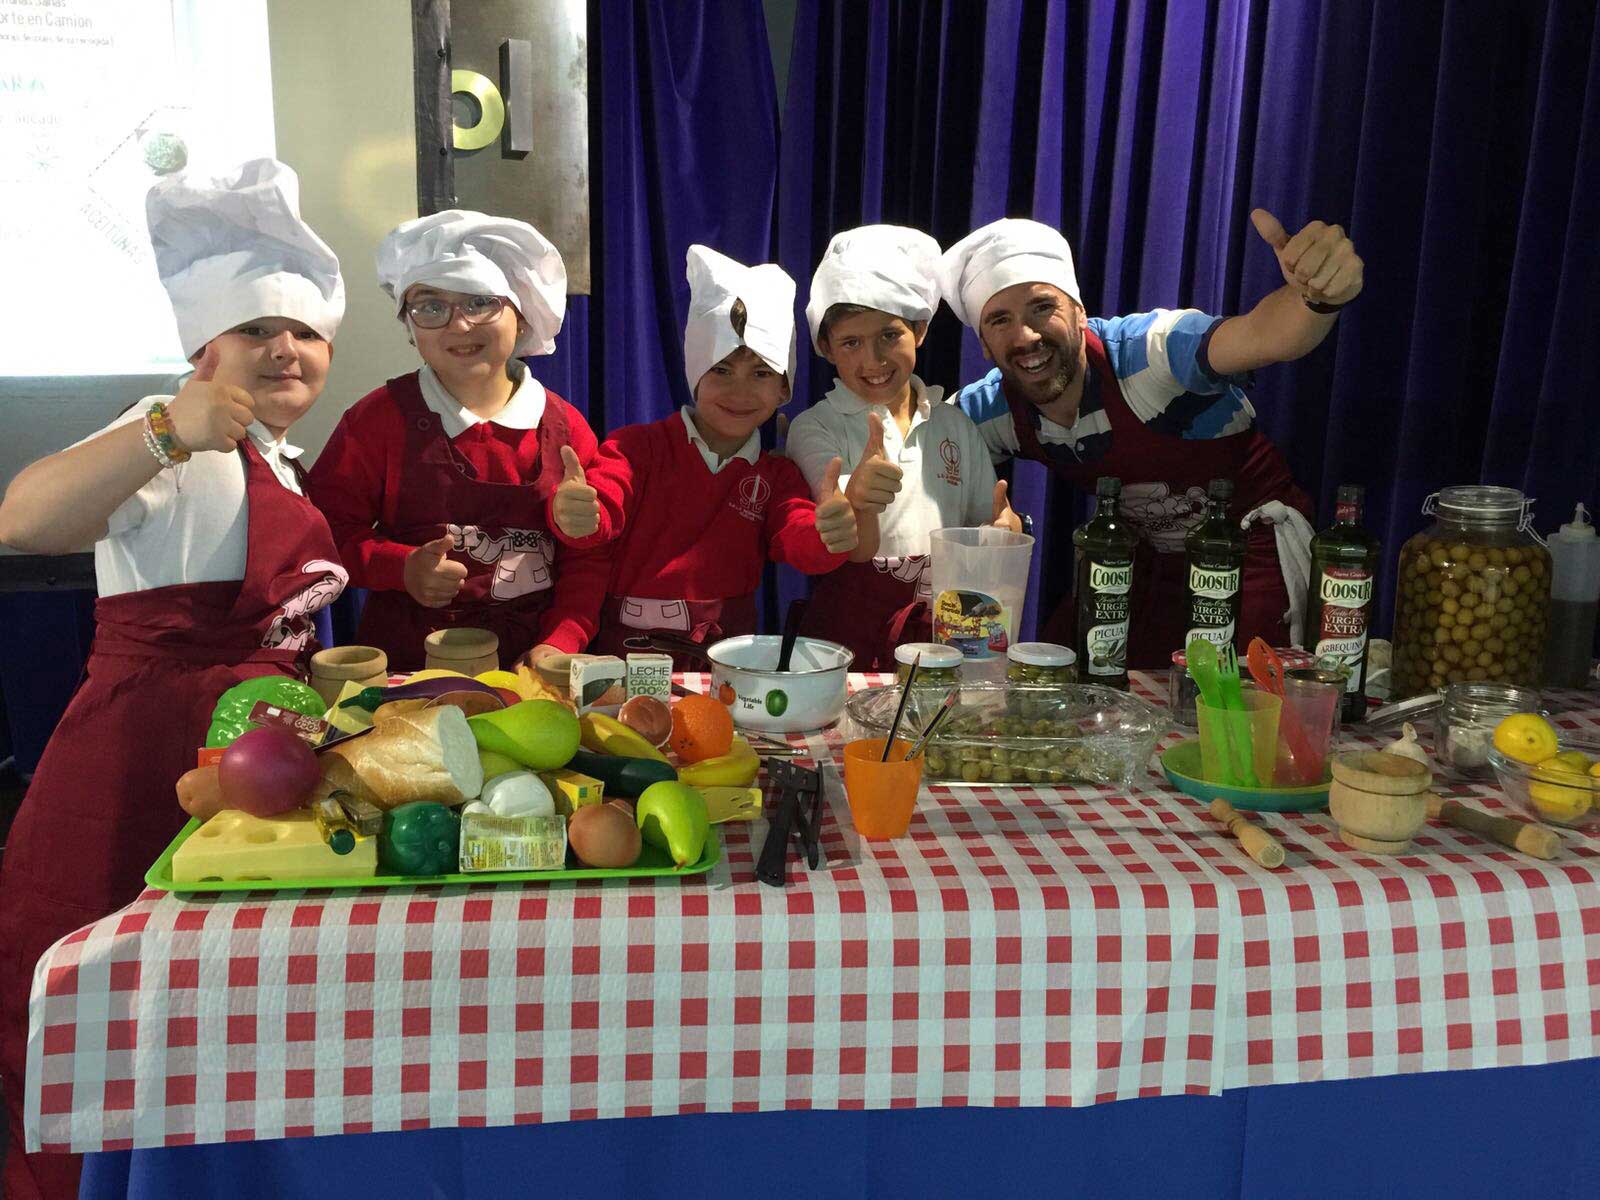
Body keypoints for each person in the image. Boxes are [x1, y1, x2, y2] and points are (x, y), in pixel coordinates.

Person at [0, 159, 348, 1200]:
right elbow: (22, 517)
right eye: (255, 332)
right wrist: (163, 430)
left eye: (303, 332)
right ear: (205, 351)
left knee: (198, 1000)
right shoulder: (178, 432)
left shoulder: (278, 456)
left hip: (243, 761)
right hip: (142, 757)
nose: (283, 349)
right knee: (92, 978)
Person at [941, 213, 1363, 667]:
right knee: (1064, 674)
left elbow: (1265, 334)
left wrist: (1316, 298)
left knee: (1235, 701)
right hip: (1138, 566)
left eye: (1043, 307)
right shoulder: (988, 411)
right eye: (1000, 321)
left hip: (1247, 557)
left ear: (1080, 313)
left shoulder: (1153, 352)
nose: (1026, 336)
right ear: (984, 345)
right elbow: (917, 450)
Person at [307, 211, 604, 672]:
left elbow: (589, 559)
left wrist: (562, 640)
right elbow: (323, 535)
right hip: (409, 672)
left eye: (480, 302)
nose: (459, 325)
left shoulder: (565, 429)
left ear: (522, 315)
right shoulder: (376, 421)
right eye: (430, 307)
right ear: (410, 328)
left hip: (533, 668)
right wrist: (399, 567)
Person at [554, 246, 858, 667]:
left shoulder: (778, 475)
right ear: (694, 373)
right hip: (625, 661)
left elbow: (800, 538)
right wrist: (581, 515)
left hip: (728, 667)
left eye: (761, 374)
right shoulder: (636, 448)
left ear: (784, 389)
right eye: (721, 370)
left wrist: (830, 535)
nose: (740, 391)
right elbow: (602, 510)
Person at [785, 225, 1020, 670]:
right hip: (846, 639)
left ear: (920, 330)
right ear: (826, 347)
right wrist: (858, 501)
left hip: (942, 635)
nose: (872, 360)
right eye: (851, 342)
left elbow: (978, 529)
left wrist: (997, 533)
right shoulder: (815, 428)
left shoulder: (955, 425)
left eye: (890, 336)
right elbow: (847, 546)